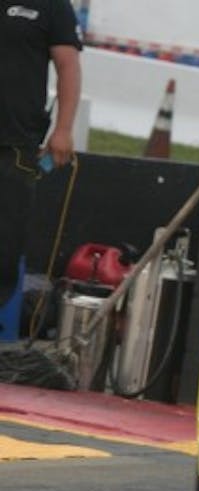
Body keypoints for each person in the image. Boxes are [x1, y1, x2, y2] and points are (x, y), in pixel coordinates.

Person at [0, 0, 83, 310]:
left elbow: (68, 66)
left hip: (14, 144)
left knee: (4, 247)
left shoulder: (52, 6)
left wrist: (63, 129)